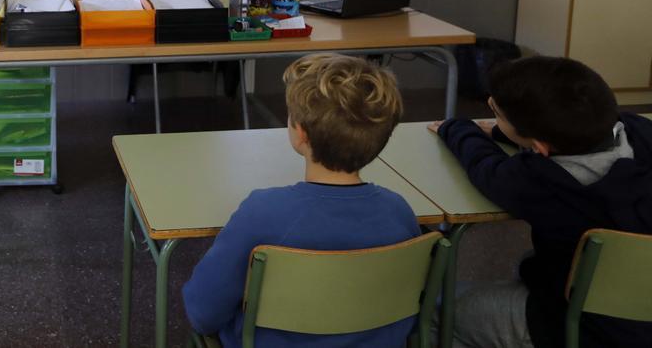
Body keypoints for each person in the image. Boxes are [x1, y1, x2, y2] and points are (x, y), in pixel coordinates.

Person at [183, 53, 419, 347]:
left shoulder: (261, 213)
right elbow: (420, 305)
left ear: (300, 133)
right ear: (384, 135)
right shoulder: (399, 212)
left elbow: (203, 313)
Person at [429, 56, 652, 348]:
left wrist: (455, 127)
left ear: (540, 147)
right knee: (526, 265)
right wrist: (502, 132)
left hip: (577, 328)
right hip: (641, 312)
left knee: (431, 310)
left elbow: (486, 166)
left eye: (496, 112)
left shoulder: (539, 182)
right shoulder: (638, 131)